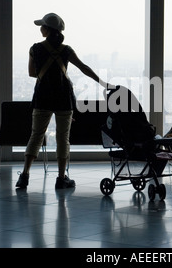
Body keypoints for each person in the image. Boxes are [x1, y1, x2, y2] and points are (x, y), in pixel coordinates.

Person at [16, 13, 110, 189]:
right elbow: (83, 68)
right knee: (62, 138)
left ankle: (25, 175)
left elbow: (31, 73)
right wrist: (102, 83)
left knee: (36, 136)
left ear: (47, 29)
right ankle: (61, 178)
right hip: (63, 98)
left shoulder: (34, 49)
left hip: (42, 96)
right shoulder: (66, 50)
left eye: (42, 26)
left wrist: (47, 72)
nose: (40, 28)